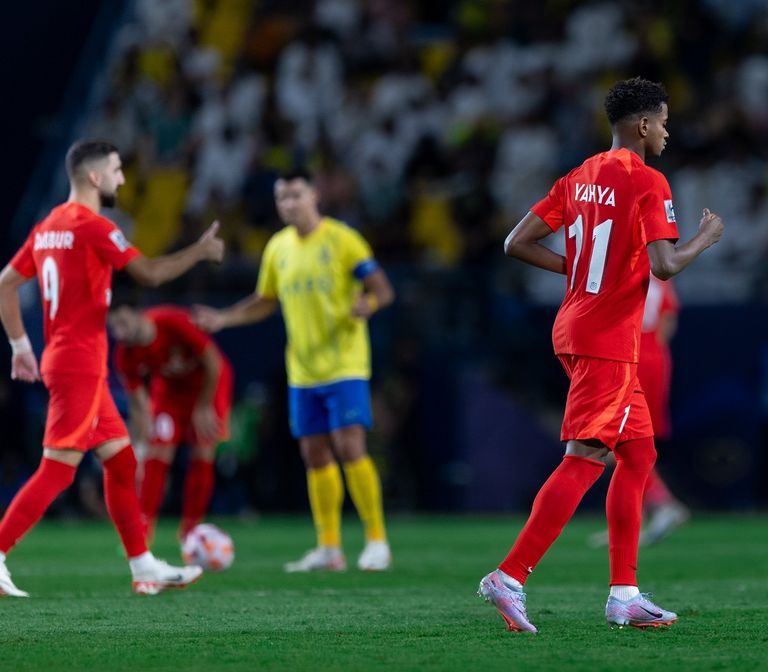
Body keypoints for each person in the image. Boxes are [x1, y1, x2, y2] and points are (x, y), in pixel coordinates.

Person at [477, 78, 724, 632]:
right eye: (661, 121)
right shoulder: (648, 180)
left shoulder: (580, 174)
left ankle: (625, 595)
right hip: (608, 339)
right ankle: (509, 575)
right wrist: (705, 238)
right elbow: (664, 266)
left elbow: (516, 241)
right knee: (586, 458)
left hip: (577, 325)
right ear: (642, 125)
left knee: (637, 458)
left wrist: (583, 265)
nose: (665, 130)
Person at [0, 140, 225, 597]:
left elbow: (6, 281)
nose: (124, 179)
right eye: (119, 170)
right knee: (58, 470)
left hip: (70, 361)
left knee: (122, 463)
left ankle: (144, 567)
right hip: (79, 364)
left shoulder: (46, 226)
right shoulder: (94, 226)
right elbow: (151, 275)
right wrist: (199, 251)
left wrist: (20, 345)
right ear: (95, 177)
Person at [195, 168, 395, 572]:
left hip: (345, 364)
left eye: (296, 195)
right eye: (281, 197)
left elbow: (382, 288)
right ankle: (329, 548)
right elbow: (264, 299)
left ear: (314, 195)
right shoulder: (278, 248)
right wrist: (224, 319)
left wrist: (368, 306)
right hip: (302, 370)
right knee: (314, 454)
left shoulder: (342, 239)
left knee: (350, 446)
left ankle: (377, 541)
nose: (289, 203)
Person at [109, 303, 233, 543]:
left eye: (123, 323)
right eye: (114, 327)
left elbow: (213, 362)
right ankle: (142, 530)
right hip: (170, 393)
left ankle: (191, 530)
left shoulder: (171, 322)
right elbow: (137, 403)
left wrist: (204, 406)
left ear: (138, 314)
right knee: (157, 451)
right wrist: (140, 445)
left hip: (207, 386)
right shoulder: (125, 355)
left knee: (203, 451)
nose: (120, 332)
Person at [588, 275, 689, 547]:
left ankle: (661, 503)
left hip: (625, 356)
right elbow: (668, 322)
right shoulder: (660, 275)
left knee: (613, 443)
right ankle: (636, 521)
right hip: (655, 356)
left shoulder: (621, 269)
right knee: (633, 442)